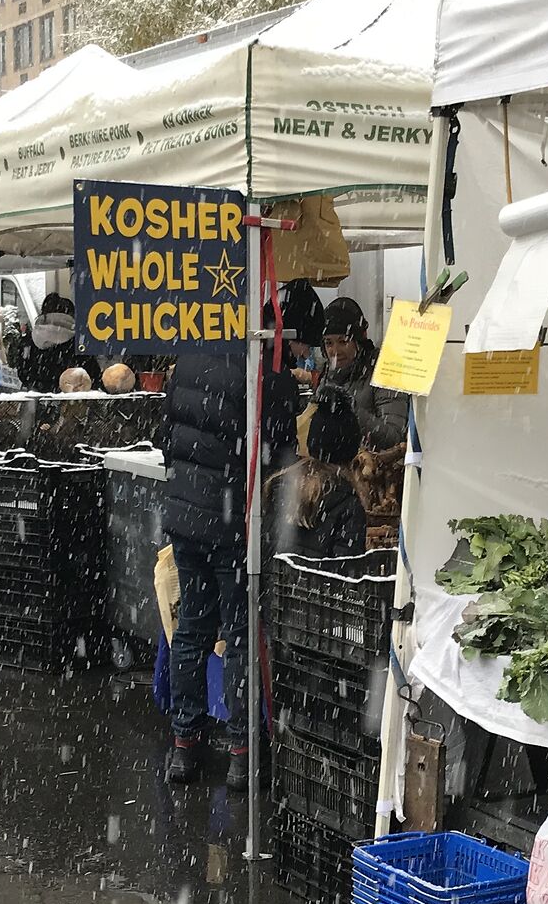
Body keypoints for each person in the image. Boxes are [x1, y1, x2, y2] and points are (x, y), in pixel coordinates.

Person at [158, 310, 300, 790]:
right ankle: (242, 753)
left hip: (185, 518)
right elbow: (281, 444)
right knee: (239, 634)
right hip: (233, 521)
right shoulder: (261, 369)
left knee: (192, 629)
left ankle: (184, 747)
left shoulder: (188, 360)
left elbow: (167, 440)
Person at [270, 386, 370, 559]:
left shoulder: (281, 485)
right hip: (320, 584)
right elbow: (345, 569)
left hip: (279, 583)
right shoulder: (348, 504)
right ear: (352, 451)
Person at [316, 296, 410, 449]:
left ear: (358, 341)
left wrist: (350, 410)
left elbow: (394, 436)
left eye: (343, 341)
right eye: (329, 343)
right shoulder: (327, 374)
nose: (335, 351)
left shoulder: (385, 370)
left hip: (372, 468)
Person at [8, 294, 100, 393]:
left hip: (37, 399)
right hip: (71, 400)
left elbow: (23, 372)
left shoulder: (29, 340)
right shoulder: (78, 342)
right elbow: (92, 374)